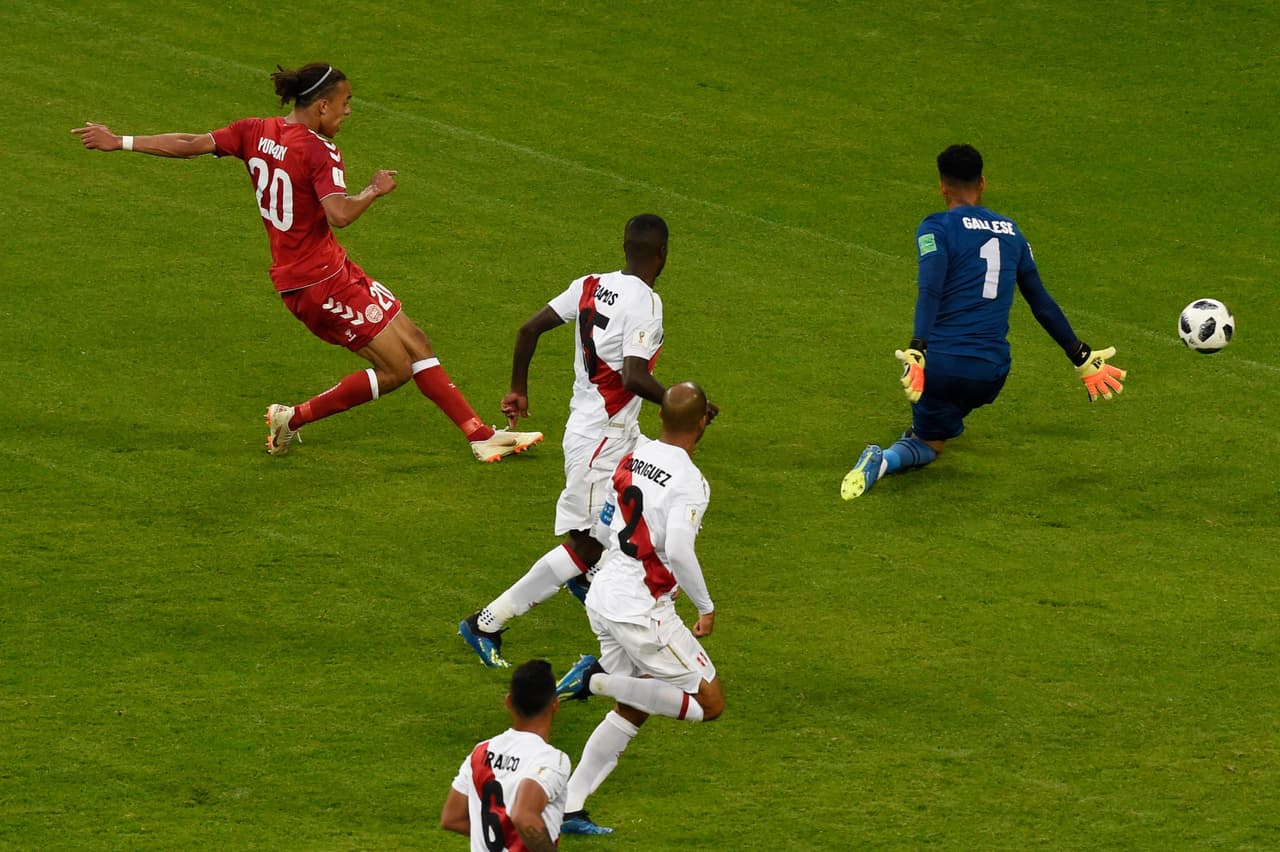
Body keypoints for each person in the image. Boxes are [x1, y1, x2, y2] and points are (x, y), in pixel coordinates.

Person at [72, 62, 540, 462]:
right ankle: (291, 417)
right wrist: (373, 190)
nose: (348, 111)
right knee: (397, 368)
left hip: (332, 269)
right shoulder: (319, 150)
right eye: (346, 102)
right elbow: (338, 214)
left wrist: (122, 141)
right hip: (316, 283)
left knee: (415, 338)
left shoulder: (254, 130)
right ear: (321, 106)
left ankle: (480, 437)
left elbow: (191, 141)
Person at [459, 215, 714, 668]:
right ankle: (486, 622)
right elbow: (635, 376)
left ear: (625, 246)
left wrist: (518, 386)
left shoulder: (590, 284)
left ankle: (592, 586)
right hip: (602, 437)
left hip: (608, 429)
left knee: (622, 521)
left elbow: (528, 330)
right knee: (587, 543)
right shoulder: (647, 303)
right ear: (664, 254)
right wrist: (683, 404)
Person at [841, 143, 1127, 500]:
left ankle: (884, 460)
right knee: (945, 418)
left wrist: (918, 348)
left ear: (942, 186)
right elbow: (1040, 301)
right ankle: (935, 423)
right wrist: (1080, 355)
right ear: (983, 183)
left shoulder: (936, 227)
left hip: (941, 366)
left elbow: (929, 290)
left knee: (927, 444)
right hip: (992, 372)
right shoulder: (1012, 232)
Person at [552, 382, 723, 836]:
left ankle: (569, 807)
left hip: (605, 591)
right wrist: (704, 606)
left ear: (662, 416)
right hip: (642, 610)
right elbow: (682, 552)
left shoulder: (632, 456)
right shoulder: (690, 481)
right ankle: (594, 680)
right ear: (703, 422)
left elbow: (608, 527)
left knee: (635, 704)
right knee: (709, 703)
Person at [441, 659, 571, 852]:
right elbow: (524, 815)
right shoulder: (551, 759)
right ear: (555, 704)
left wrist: (496, 837)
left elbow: (452, 817)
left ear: (509, 702)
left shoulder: (481, 752)